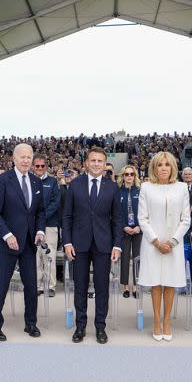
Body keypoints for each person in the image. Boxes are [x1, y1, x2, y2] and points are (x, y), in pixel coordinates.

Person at [62, 146, 123, 344]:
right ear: (86, 163)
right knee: (79, 286)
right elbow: (67, 216)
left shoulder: (112, 187)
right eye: (93, 160)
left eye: (100, 161)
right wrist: (67, 242)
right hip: (78, 244)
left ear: (105, 165)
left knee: (102, 287)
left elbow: (117, 220)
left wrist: (117, 245)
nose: (96, 164)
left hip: (103, 244)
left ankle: (100, 327)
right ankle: (80, 327)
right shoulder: (75, 185)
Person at [0, 143, 46, 342]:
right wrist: (7, 235)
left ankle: (31, 323)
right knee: (2, 285)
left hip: (29, 243)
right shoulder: (3, 180)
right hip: (7, 244)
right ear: (13, 158)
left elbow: (40, 212)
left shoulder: (36, 182)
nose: (26, 160)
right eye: (22, 156)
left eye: (29, 157)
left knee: (31, 286)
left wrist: (39, 230)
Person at [138, 151, 191, 341]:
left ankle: (167, 322)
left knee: (169, 283)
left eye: (167, 165)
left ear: (173, 167)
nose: (163, 168)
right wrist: (157, 242)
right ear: (154, 167)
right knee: (156, 283)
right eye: (160, 165)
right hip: (153, 244)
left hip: (173, 244)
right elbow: (142, 218)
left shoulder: (182, 188)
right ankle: (157, 321)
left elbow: (186, 219)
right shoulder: (146, 187)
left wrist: (172, 242)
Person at [32, 155, 61, 297]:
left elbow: (55, 203)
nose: (39, 168)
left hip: (49, 225)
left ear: (46, 167)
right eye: (37, 166)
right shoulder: (28, 181)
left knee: (49, 256)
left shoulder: (53, 182)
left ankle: (50, 286)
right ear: (33, 167)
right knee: (35, 257)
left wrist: (41, 218)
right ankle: (37, 285)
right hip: (31, 226)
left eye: (42, 166)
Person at [117, 165, 141, 298]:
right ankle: (126, 287)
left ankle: (136, 287)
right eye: (127, 174)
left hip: (138, 230)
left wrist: (139, 227)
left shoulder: (140, 191)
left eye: (132, 174)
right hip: (124, 230)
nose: (129, 177)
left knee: (137, 258)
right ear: (123, 176)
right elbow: (115, 213)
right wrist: (123, 226)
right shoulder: (118, 191)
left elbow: (145, 211)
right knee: (125, 258)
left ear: (135, 176)